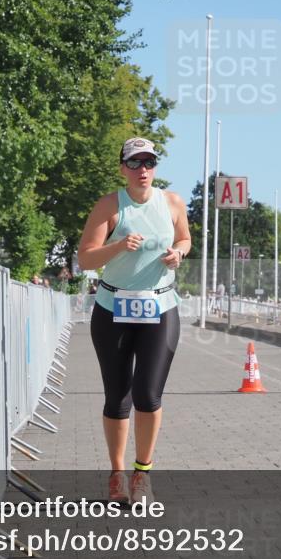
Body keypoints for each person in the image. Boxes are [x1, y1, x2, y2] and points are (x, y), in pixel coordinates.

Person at [77, 137, 191, 505]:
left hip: (160, 307)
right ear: (122, 168)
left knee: (148, 394)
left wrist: (178, 254)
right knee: (117, 396)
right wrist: (117, 246)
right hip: (113, 308)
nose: (143, 169)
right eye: (134, 162)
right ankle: (117, 475)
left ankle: (143, 474)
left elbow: (185, 239)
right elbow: (86, 258)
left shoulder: (172, 202)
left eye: (149, 162)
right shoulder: (110, 205)